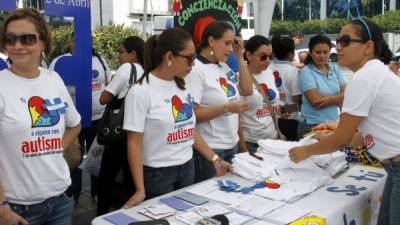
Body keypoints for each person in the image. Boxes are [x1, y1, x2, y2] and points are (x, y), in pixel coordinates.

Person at [288, 18, 400, 225]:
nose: (338, 46)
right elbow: (361, 137)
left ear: (368, 47)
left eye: (346, 41)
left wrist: (306, 150)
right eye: (338, 40)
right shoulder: (375, 72)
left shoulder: (364, 78)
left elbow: (342, 138)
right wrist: (327, 138)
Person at [122, 28, 230, 207]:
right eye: (189, 58)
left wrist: (215, 159)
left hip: (187, 167)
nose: (193, 64)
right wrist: (140, 189)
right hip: (157, 175)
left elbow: (188, 130)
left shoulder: (182, 85)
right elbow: (133, 143)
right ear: (170, 57)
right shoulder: (141, 92)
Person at [0, 8, 81, 225]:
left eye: (27, 39)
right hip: (17, 207)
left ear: (44, 42)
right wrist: (2, 206)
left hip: (60, 200)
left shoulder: (53, 79)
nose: (17, 46)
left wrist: (53, 149)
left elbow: (75, 125)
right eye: (10, 39)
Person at [185, 21, 253, 183]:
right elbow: (193, 115)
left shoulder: (223, 66)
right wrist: (226, 108)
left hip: (232, 144)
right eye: (227, 43)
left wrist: (239, 56)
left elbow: (247, 89)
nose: (230, 48)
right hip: (211, 149)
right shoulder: (196, 70)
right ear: (211, 41)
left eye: (232, 43)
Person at [49, 36, 112, 203]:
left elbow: (108, 84)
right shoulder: (60, 62)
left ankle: (96, 192)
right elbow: (51, 88)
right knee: (74, 158)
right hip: (72, 122)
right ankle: (73, 195)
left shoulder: (100, 60)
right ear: (71, 43)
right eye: (76, 41)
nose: (82, 44)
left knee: (95, 157)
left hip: (97, 119)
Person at [96, 36, 144, 215]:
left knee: (107, 177)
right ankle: (130, 213)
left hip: (119, 133)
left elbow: (103, 99)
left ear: (133, 54)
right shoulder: (147, 70)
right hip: (138, 132)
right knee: (131, 177)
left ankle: (101, 214)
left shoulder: (127, 69)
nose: (118, 56)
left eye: (121, 51)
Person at [297, 34, 346, 138]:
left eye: (326, 52)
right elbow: (316, 102)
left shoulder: (334, 68)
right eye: (318, 52)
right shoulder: (306, 72)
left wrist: (328, 99)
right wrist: (338, 99)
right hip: (311, 125)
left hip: (333, 123)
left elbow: (347, 95)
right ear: (310, 53)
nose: (322, 55)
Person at [239, 35, 280, 154]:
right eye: (263, 56)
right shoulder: (237, 78)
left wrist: (285, 111)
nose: (268, 60)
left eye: (271, 56)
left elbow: (273, 106)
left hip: (272, 139)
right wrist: (243, 148)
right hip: (251, 143)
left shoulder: (269, 72)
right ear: (248, 55)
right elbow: (235, 118)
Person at [269, 35, 301, 141]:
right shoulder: (293, 71)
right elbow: (297, 102)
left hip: (270, 117)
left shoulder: (267, 67)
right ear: (291, 53)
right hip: (289, 119)